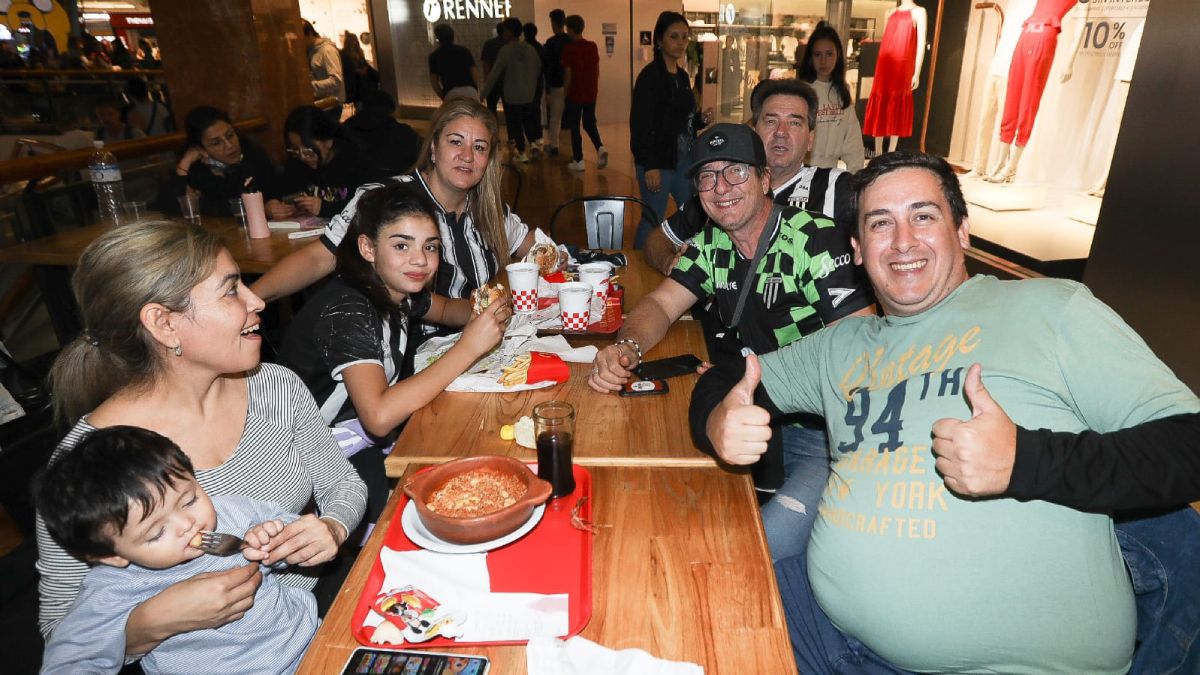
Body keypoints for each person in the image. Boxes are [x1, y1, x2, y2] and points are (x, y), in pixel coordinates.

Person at [695, 152, 1200, 673]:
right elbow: (728, 378)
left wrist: (1026, 460)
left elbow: (1188, 446)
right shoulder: (840, 344)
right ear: (857, 251)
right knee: (684, 612)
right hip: (829, 631)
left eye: (923, 216)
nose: (903, 241)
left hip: (1000, 665)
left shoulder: (1052, 309)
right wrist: (719, 421)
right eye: (879, 224)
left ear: (962, 232)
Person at [37, 221, 365, 653]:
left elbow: (342, 483)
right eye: (231, 290)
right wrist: (153, 622)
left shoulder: (275, 386)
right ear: (163, 324)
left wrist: (332, 527)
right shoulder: (88, 465)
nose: (256, 300)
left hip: (310, 623)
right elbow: (58, 630)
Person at [591, 124, 874, 559]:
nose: (721, 187)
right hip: (746, 415)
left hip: (821, 435)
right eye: (708, 176)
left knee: (753, 549)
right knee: (660, 513)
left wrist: (741, 378)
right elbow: (661, 306)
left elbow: (857, 348)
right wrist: (628, 347)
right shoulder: (710, 245)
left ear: (764, 179)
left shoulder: (815, 239)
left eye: (736, 172)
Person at [278, 184, 511, 520]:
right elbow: (378, 416)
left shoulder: (395, 288)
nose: (420, 260)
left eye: (430, 247)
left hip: (357, 444)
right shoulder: (348, 309)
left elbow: (446, 311)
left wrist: (485, 309)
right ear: (368, 248)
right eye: (402, 245)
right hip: (311, 468)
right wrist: (468, 347)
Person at [36, 427, 318, 675]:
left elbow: (299, 537)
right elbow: (67, 663)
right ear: (113, 555)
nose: (187, 524)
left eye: (189, 500)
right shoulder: (111, 589)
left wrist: (277, 541)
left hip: (312, 641)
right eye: (157, 532)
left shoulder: (232, 512)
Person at [252, 98, 536, 319]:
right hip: (411, 362)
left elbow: (536, 250)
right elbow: (318, 258)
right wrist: (250, 298)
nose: (467, 156)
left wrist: (562, 258)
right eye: (455, 142)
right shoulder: (382, 199)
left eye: (480, 147)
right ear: (434, 148)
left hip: (483, 345)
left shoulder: (489, 208)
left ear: (488, 160)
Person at [644, 79, 858, 278]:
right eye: (771, 121)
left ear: (810, 139)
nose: (781, 132)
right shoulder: (723, 190)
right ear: (753, 132)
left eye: (794, 123)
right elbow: (657, 240)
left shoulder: (837, 188)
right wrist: (670, 263)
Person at [631, 11, 713, 248]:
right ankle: (637, 268)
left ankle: (689, 265)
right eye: (673, 36)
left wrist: (699, 120)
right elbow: (640, 124)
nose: (680, 43)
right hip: (659, 161)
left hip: (684, 160)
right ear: (659, 40)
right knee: (652, 218)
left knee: (692, 214)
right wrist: (650, 165)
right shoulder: (650, 77)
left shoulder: (682, 76)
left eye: (685, 37)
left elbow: (678, 121)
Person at [161, 105, 280, 216]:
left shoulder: (253, 156)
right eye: (216, 143)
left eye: (230, 135)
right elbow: (171, 210)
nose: (229, 145)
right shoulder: (197, 169)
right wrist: (185, 163)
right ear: (201, 148)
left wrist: (201, 204)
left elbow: (242, 203)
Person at [268, 104, 373, 220]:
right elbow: (279, 190)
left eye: (309, 151)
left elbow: (367, 207)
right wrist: (271, 206)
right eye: (296, 150)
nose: (303, 157)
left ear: (328, 141)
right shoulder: (297, 162)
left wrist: (325, 208)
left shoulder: (355, 161)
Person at [798, 24, 865, 172]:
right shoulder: (801, 91)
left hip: (831, 172)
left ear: (838, 55)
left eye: (829, 54)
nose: (823, 61)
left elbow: (852, 140)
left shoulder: (842, 91)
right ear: (810, 58)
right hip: (801, 171)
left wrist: (857, 176)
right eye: (818, 55)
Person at [481, 17, 543, 162]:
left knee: (515, 124)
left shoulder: (506, 50)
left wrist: (483, 92)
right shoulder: (530, 49)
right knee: (528, 120)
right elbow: (538, 69)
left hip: (512, 95)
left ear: (509, 31)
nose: (503, 33)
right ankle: (534, 144)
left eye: (505, 31)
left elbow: (494, 73)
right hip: (528, 94)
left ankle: (521, 152)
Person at [560, 14, 607, 172]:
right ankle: (600, 147)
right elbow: (597, 70)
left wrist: (565, 93)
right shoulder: (592, 46)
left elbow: (568, 74)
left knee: (575, 126)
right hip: (590, 91)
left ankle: (579, 160)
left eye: (568, 29)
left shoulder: (569, 48)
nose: (567, 32)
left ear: (572, 29)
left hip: (575, 92)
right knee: (589, 123)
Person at [343, 89, 423, 178]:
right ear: (391, 110)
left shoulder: (346, 130)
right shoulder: (405, 133)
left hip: (354, 183)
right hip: (395, 185)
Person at [542, 9, 571, 156]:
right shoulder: (570, 40)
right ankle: (575, 150)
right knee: (574, 118)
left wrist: (547, 89)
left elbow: (548, 67)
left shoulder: (551, 43)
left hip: (556, 85)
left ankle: (554, 145)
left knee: (555, 118)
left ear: (553, 23)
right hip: (572, 86)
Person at [428, 23, 480, 101]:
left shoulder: (434, 56)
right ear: (453, 37)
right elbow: (475, 73)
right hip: (470, 90)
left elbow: (434, 83)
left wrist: (443, 97)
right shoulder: (464, 51)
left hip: (451, 92)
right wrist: (475, 89)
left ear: (437, 38)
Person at [303, 20, 345, 104]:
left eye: (301, 38)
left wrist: (309, 86)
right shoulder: (312, 51)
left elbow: (336, 81)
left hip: (332, 103)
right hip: (324, 101)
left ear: (310, 34)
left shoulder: (327, 50)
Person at [340, 31, 378, 107]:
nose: (354, 42)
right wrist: (360, 71)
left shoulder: (355, 52)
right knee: (360, 103)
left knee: (362, 103)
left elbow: (363, 64)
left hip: (361, 83)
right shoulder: (347, 54)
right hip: (356, 83)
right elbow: (347, 69)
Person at [480, 23, 505, 113]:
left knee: (491, 108)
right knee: (509, 109)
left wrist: (486, 81)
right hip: (508, 82)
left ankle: (493, 126)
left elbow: (486, 64)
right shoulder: (509, 44)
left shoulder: (489, 44)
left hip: (493, 81)